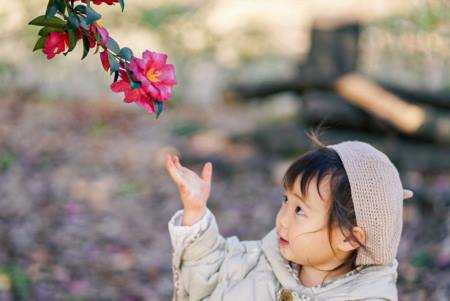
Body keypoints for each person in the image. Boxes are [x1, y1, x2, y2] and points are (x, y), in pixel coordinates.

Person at [164, 132, 414, 301]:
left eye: (299, 210)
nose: (282, 219)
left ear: (349, 237)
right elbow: (210, 273)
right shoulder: (261, 261)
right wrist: (196, 211)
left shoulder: (367, 295)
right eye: (286, 200)